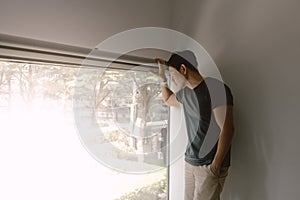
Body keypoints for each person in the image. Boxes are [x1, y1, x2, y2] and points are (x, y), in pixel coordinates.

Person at [152, 50, 235, 200]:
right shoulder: (185, 93)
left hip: (209, 165)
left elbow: (227, 129)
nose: (173, 79)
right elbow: (168, 99)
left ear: (183, 69)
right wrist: (163, 79)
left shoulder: (215, 88)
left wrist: (215, 166)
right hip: (190, 161)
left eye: (172, 74)